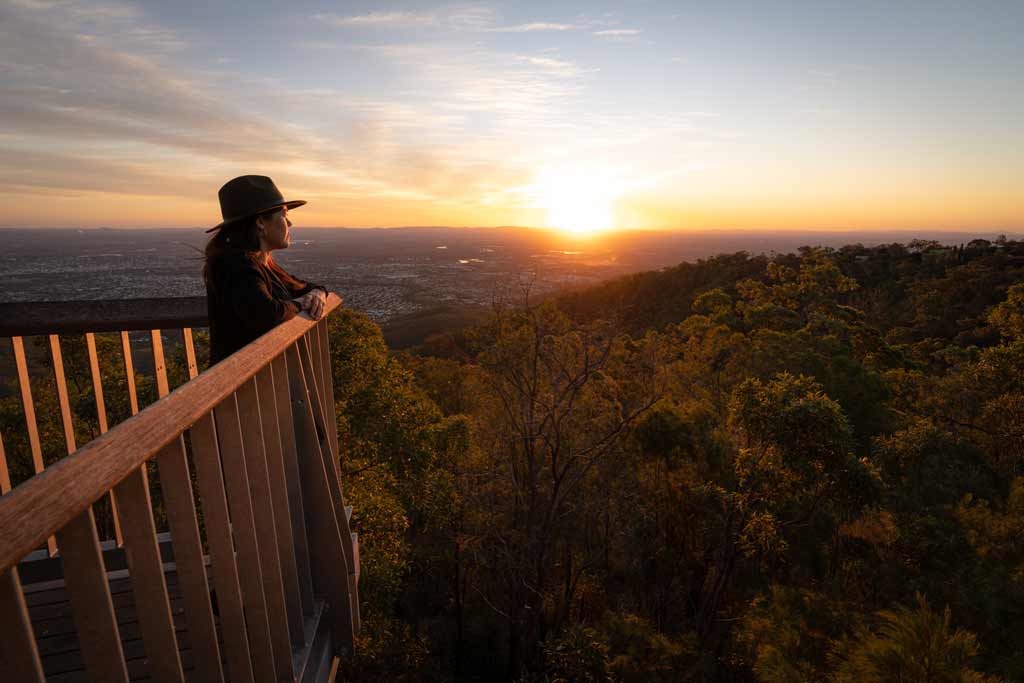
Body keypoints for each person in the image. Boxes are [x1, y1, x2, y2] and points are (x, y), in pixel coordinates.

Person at [203, 175, 330, 364]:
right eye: (284, 215)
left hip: (256, 380)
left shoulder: (263, 266)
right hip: (239, 384)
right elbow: (268, 314)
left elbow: (303, 287)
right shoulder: (235, 266)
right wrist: (301, 304)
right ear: (261, 223)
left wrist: (318, 293)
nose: (290, 223)